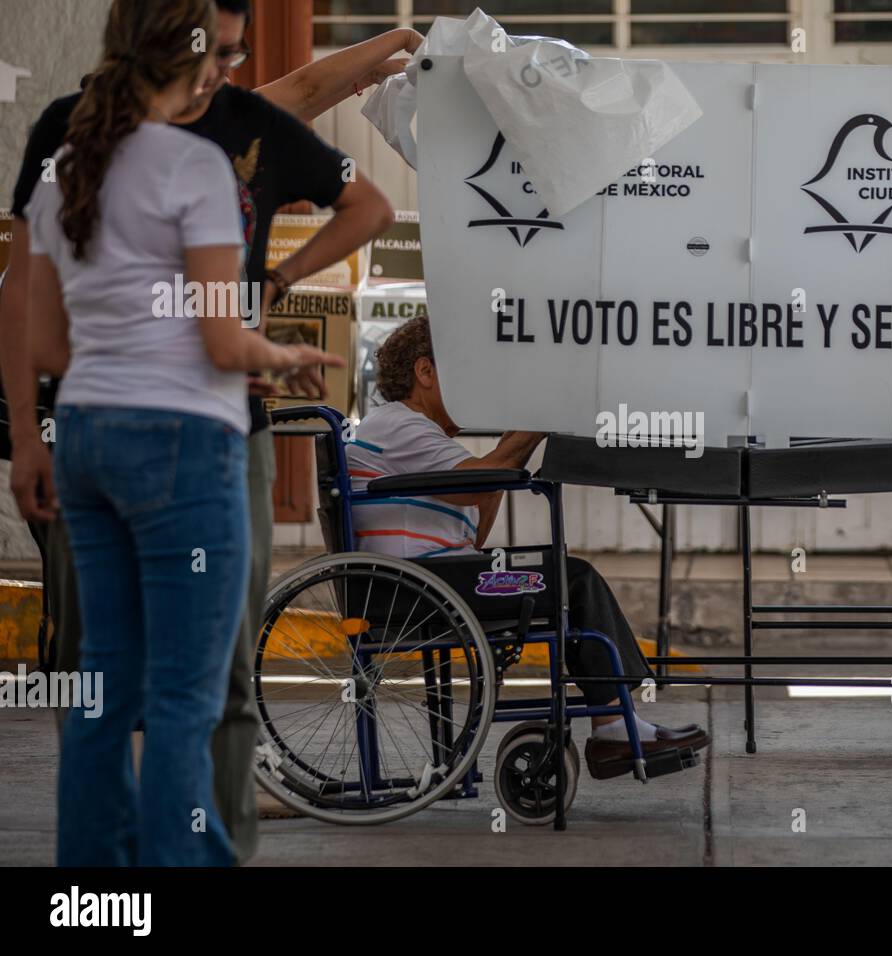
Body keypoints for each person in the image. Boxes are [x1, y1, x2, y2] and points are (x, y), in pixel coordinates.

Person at [0, 0, 399, 864]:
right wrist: (277, 353)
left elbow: (44, 340)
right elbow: (224, 338)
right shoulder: (198, 169)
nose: (228, 69)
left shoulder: (67, 159)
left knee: (101, 684)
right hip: (187, 446)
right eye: (218, 56)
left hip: (87, 437)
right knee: (188, 693)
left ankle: (98, 889)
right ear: (193, 64)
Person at [347, 318, 711, 779]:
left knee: (561, 574)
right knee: (570, 577)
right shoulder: (400, 424)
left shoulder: (418, 434)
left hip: (430, 577)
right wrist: (535, 422)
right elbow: (477, 484)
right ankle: (613, 727)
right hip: (419, 585)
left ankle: (614, 723)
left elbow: (476, 521)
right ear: (426, 371)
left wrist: (505, 453)